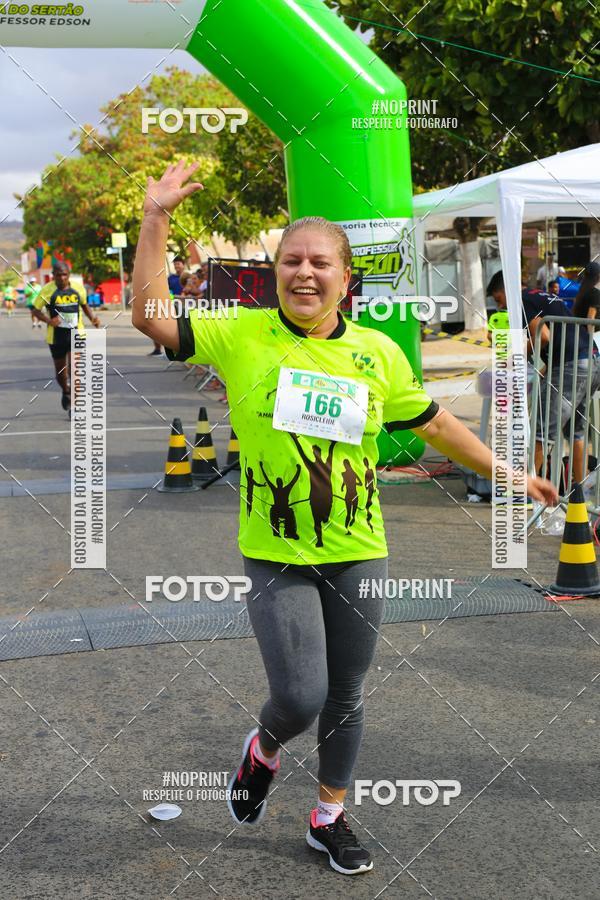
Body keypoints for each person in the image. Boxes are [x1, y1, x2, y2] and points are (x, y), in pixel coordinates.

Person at [132, 161, 557, 877]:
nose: (305, 272)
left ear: (345, 276)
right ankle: (264, 748)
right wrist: (155, 218)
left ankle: (328, 816)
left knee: (349, 694)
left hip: (359, 548)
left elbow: (438, 426)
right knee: (300, 697)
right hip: (276, 550)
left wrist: (511, 475)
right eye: (291, 260)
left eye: (320, 261)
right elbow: (148, 314)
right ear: (274, 273)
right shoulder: (240, 335)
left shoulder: (377, 353)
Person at [488, 270, 600, 485]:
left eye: (499, 299)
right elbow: (561, 335)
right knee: (576, 432)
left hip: (573, 365)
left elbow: (544, 336)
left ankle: (524, 490)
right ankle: (580, 490)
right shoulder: (540, 294)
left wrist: (516, 358)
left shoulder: (522, 301)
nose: (501, 306)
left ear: (505, 290)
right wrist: (547, 368)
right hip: (592, 360)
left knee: (541, 430)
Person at [31, 262, 100, 415]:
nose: (62, 278)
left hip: (77, 334)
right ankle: (66, 391)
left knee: (75, 370)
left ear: (68, 274)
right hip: (56, 337)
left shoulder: (78, 288)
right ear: (53, 275)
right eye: (58, 275)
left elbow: (84, 305)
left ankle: (75, 406)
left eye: (65, 274)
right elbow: (35, 310)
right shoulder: (47, 290)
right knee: (61, 373)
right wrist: (49, 321)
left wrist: (93, 318)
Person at [572, 261, 600, 330]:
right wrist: (591, 339)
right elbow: (590, 319)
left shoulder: (581, 292)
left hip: (579, 334)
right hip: (592, 336)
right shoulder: (595, 294)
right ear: (598, 276)